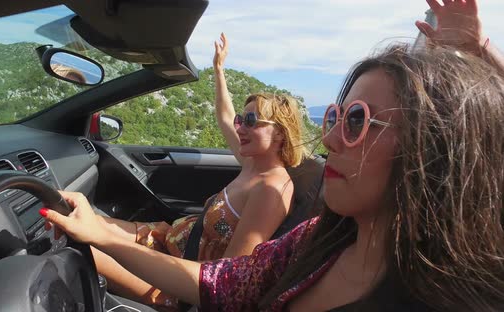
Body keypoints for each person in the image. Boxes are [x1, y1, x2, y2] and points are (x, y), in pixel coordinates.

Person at [42, 0, 504, 310]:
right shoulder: (319, 239)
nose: (331, 141)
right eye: (335, 118)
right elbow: (221, 283)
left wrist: (482, 57)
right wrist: (99, 234)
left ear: (431, 146)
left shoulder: (463, 290)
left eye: (358, 121)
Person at [80, 33, 308, 309]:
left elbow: (229, 279)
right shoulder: (253, 163)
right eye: (241, 119)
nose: (240, 127)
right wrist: (219, 69)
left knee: (84, 247)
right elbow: (225, 117)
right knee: (85, 221)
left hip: (175, 284)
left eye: (251, 120)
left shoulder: (271, 191)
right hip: (164, 238)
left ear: (281, 133)